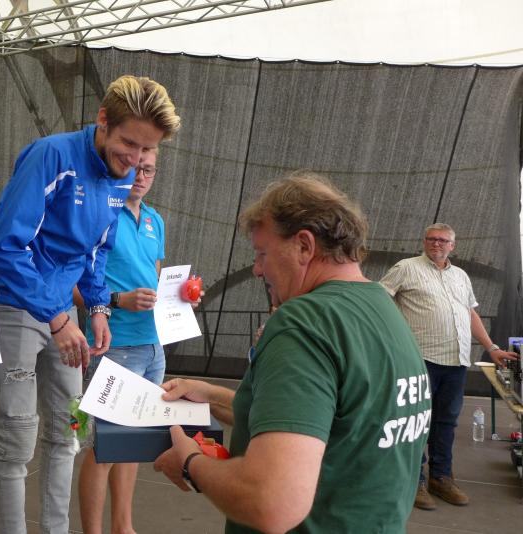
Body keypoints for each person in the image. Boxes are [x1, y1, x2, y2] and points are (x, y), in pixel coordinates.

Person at [153, 172, 431, 534]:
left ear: (303, 246)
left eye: (262, 253)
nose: (257, 270)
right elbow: (319, 419)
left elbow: (271, 502)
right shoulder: (380, 307)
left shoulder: (304, 321)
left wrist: (190, 462)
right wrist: (211, 396)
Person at [0, 75, 180, 534]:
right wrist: (56, 317)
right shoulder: (51, 156)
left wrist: (96, 308)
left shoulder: (122, 176)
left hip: (64, 318)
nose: (134, 161)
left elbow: (98, 250)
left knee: (67, 434)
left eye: (146, 151)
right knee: (17, 439)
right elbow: (5, 248)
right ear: (103, 119)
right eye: (128, 144)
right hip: (18, 308)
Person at [380, 223, 518, 510]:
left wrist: (491, 347)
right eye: (432, 239)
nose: (437, 244)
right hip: (420, 360)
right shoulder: (406, 268)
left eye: (443, 240)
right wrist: (395, 337)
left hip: (456, 362)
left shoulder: (461, 276)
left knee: (446, 422)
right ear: (424, 241)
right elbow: (380, 299)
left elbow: (470, 313)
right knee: (416, 421)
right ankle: (414, 481)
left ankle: (441, 477)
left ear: (452, 246)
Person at [76, 149, 170, 534]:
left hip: (153, 346)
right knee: (105, 449)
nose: (141, 177)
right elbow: (75, 285)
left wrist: (180, 297)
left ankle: (123, 526)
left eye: (149, 170)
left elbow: (157, 279)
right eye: (136, 169)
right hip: (114, 346)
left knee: (132, 444)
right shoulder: (99, 214)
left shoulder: (154, 219)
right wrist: (118, 300)